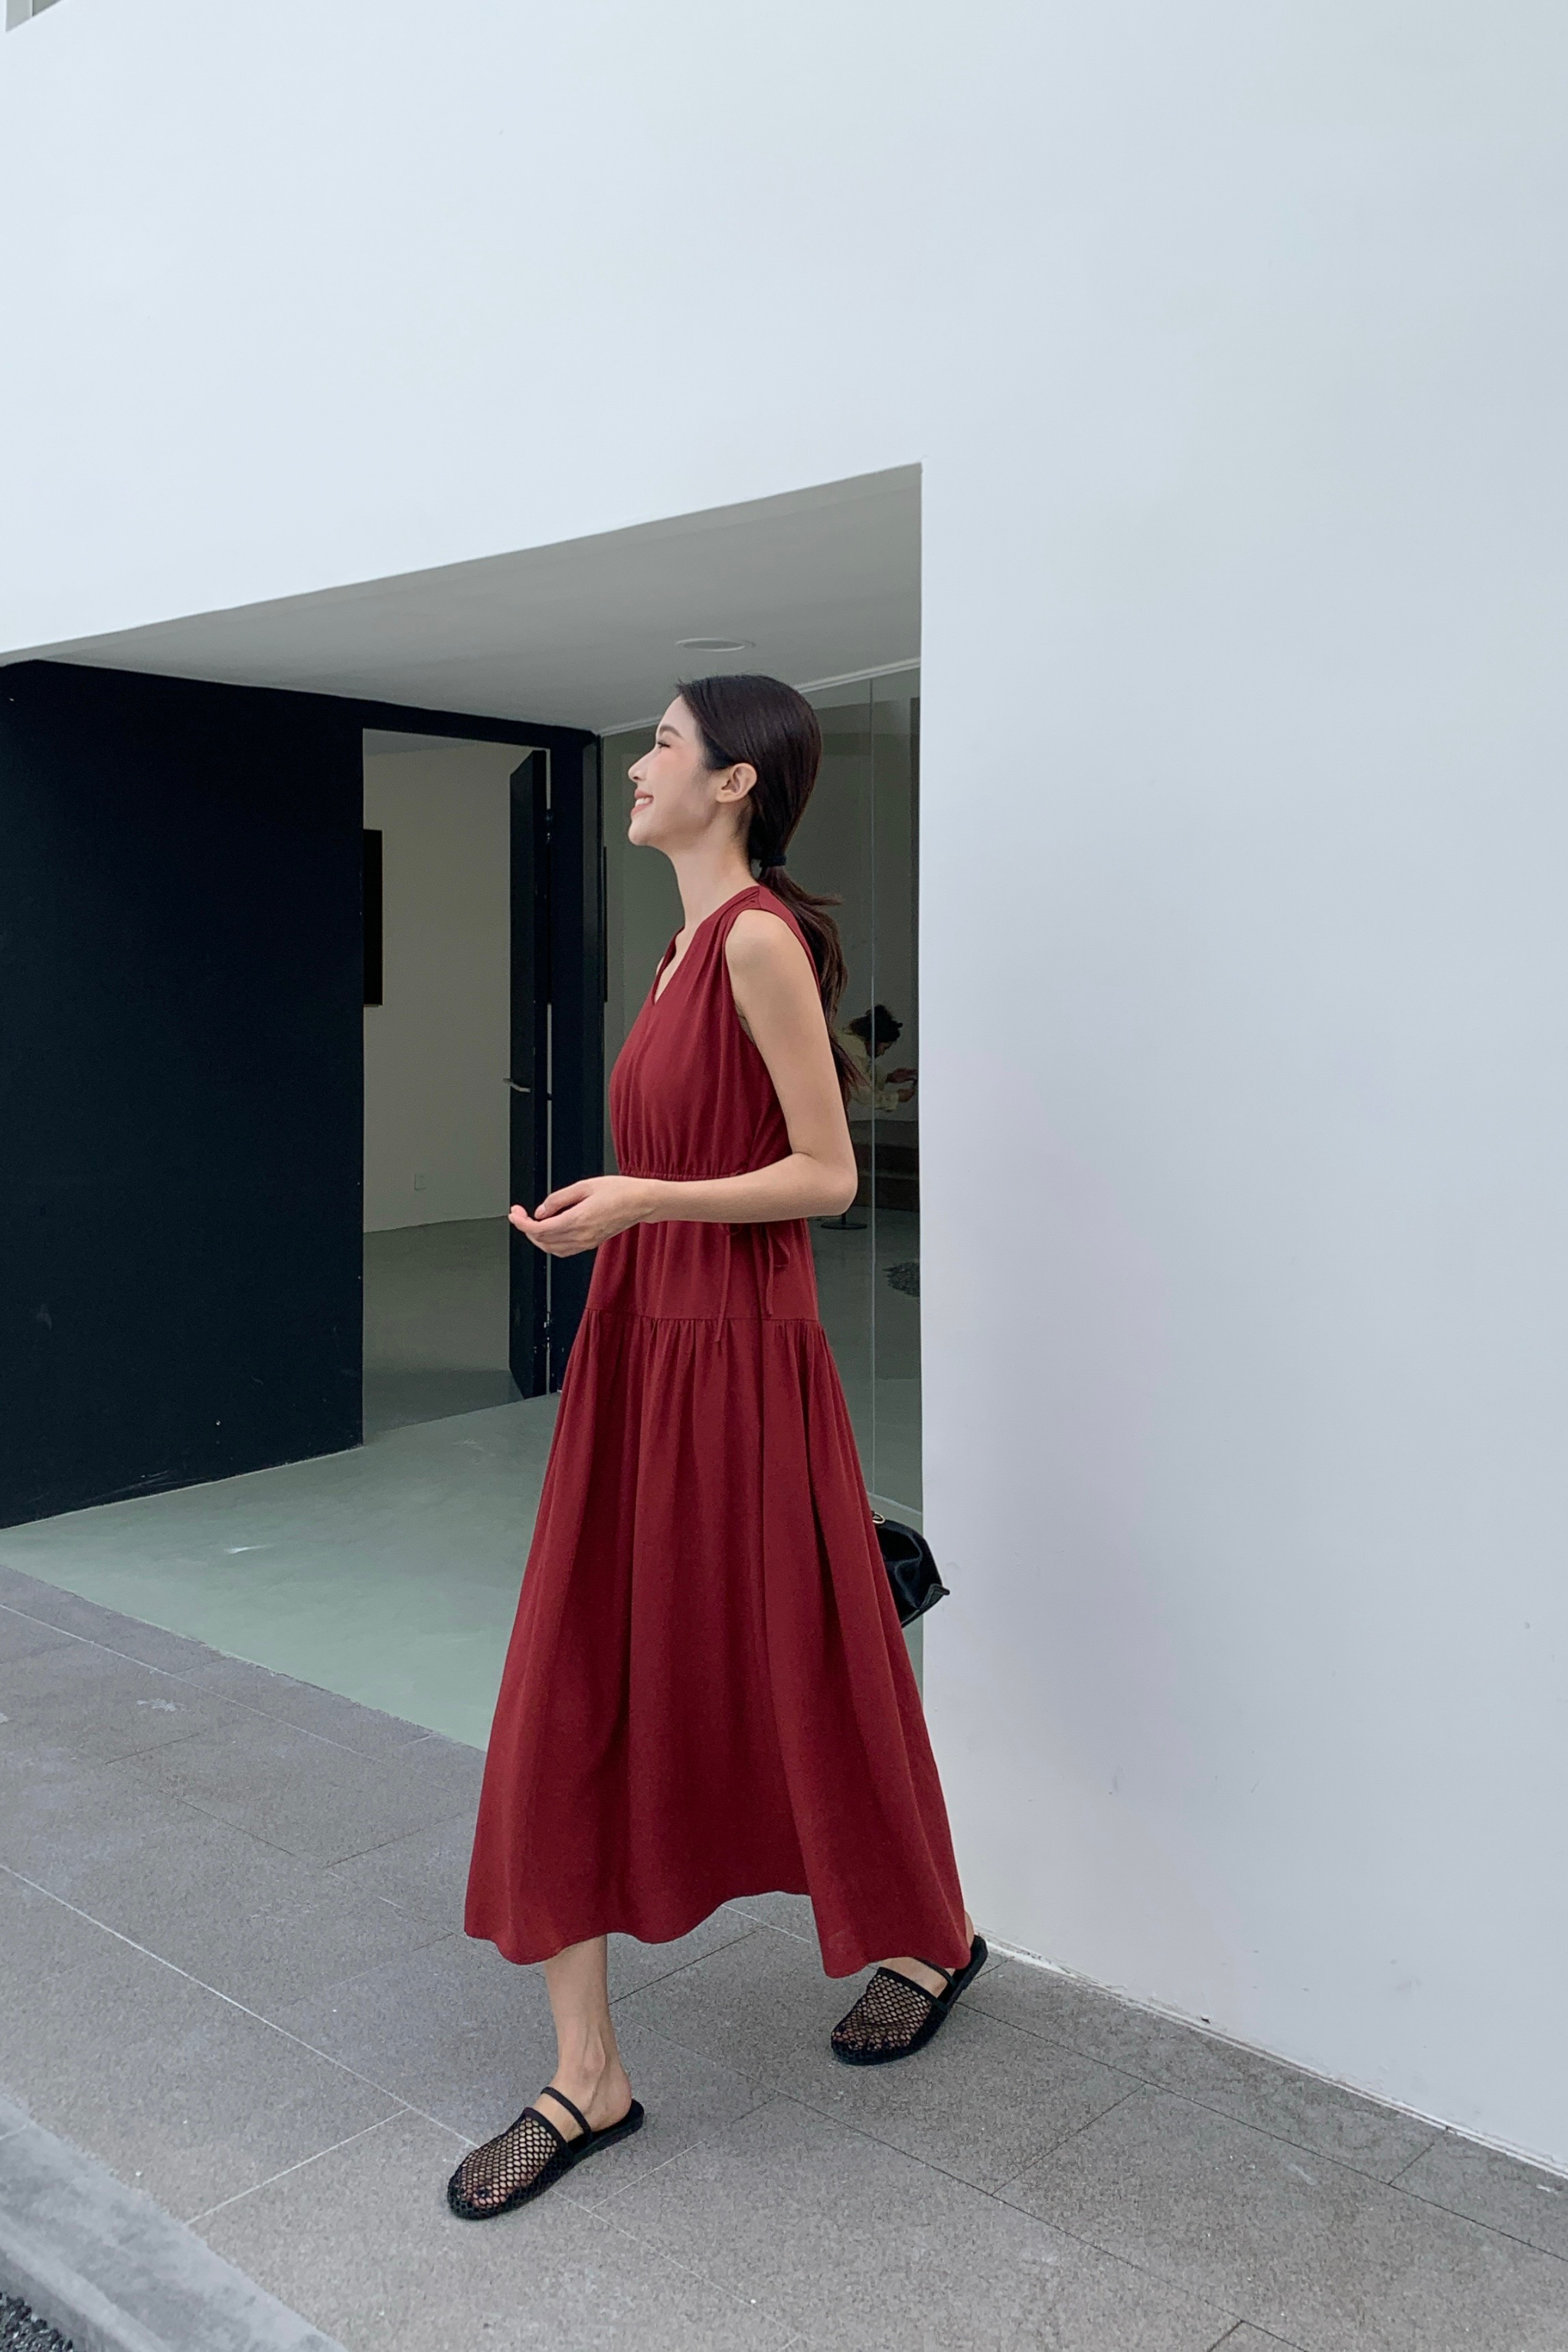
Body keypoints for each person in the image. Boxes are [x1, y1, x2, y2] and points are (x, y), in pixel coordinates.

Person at [449, 674, 982, 2222]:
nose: (638, 766)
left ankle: (930, 1935)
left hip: (741, 1359)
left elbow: (827, 1177)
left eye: (665, 744)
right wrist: (610, 1218)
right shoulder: (682, 950)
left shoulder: (755, 940)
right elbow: (701, 1159)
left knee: (812, 1662)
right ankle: (588, 2074)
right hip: (641, 1346)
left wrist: (642, 1200)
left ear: (735, 781)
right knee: (575, 1673)